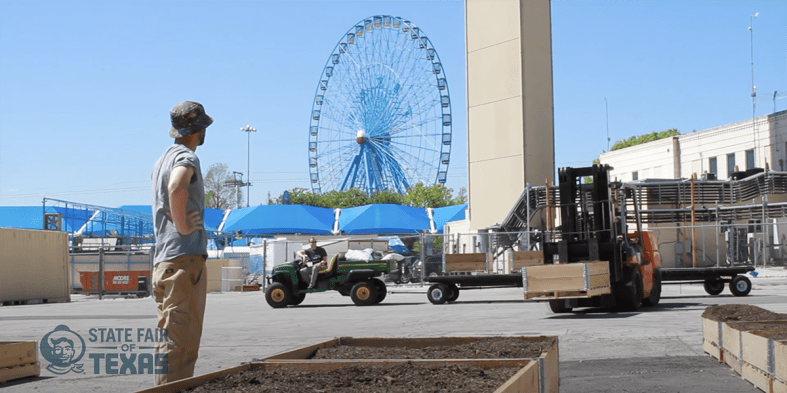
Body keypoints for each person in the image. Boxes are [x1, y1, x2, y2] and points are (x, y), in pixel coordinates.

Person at [151, 100, 213, 385]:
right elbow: (176, 186)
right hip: (183, 261)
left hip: (165, 260)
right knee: (181, 344)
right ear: (197, 131)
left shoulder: (161, 159)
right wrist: (184, 225)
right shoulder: (186, 158)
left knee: (171, 338)